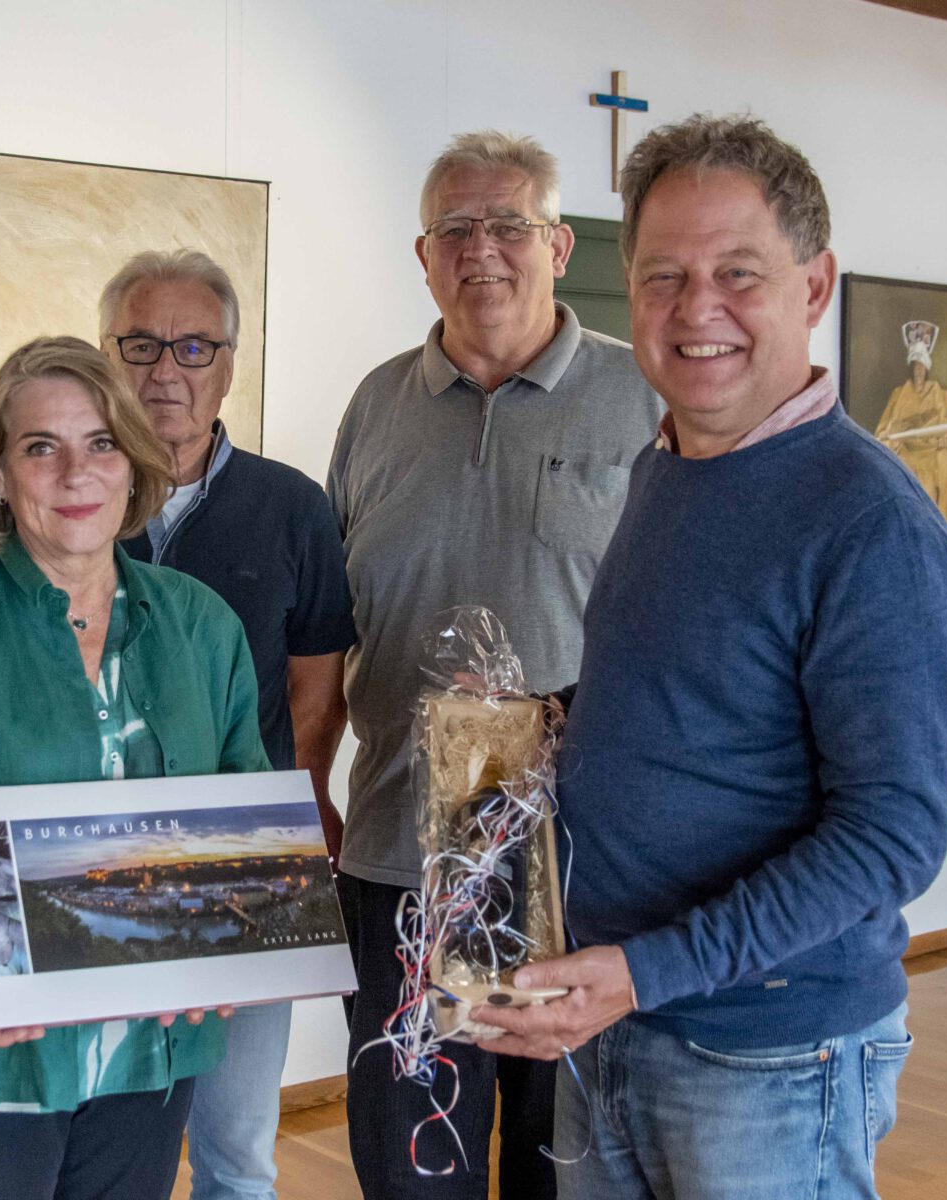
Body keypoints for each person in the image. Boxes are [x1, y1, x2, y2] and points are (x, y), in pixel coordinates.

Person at [469, 114, 947, 1200]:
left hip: (764, 1057)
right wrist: (548, 717)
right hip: (615, 1021)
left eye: (738, 272)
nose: (696, 309)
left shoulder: (869, 521)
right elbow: (694, 699)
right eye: (662, 277)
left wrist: (646, 971)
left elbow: (893, 836)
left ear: (815, 284)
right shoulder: (669, 467)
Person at [0, 336, 272, 1200]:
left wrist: (234, 935)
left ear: (134, 463)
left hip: (152, 1050)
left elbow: (244, 830)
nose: (77, 473)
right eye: (41, 447)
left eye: (101, 442)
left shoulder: (204, 628)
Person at [325, 131, 660, 1198]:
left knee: (566, 1169)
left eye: (509, 224)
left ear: (558, 245)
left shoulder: (643, 398)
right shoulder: (376, 408)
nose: (483, 249)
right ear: (422, 256)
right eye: (455, 228)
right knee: (412, 1162)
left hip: (584, 867)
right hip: (399, 860)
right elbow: (332, 630)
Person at [99, 248, 354, 1200]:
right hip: (94, 851)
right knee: (108, 1142)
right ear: (107, 354)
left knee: (238, 1147)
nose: (167, 369)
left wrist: (304, 803)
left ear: (229, 365)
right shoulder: (65, 495)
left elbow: (315, 692)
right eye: (143, 343)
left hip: (250, 850)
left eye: (195, 346)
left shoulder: (292, 506)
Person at [873, 319, 947, 610]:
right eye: (915, 368)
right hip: (908, 454)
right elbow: (882, 435)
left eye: (922, 368)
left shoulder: (941, 395)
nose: (919, 373)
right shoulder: (899, 396)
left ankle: (946, 531)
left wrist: (944, 442)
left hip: (933, 450)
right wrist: (893, 442)